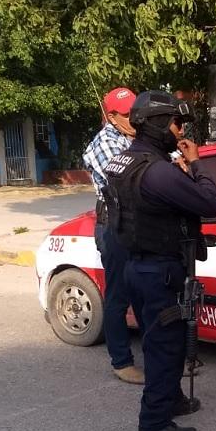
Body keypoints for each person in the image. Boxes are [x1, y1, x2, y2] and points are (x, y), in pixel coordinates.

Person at [103, 91, 216, 431]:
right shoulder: (156, 172)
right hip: (158, 270)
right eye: (176, 122)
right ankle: (153, 424)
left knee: (159, 340)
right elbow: (210, 203)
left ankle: (172, 400)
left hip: (137, 266)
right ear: (156, 124)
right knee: (165, 347)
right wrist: (197, 165)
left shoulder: (124, 161)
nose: (180, 129)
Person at [82, 87, 145, 385]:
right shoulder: (103, 144)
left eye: (136, 110)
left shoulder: (137, 138)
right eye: (128, 113)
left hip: (139, 223)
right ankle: (121, 361)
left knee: (147, 292)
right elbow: (129, 179)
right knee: (119, 295)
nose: (135, 117)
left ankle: (161, 355)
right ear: (111, 117)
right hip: (114, 224)